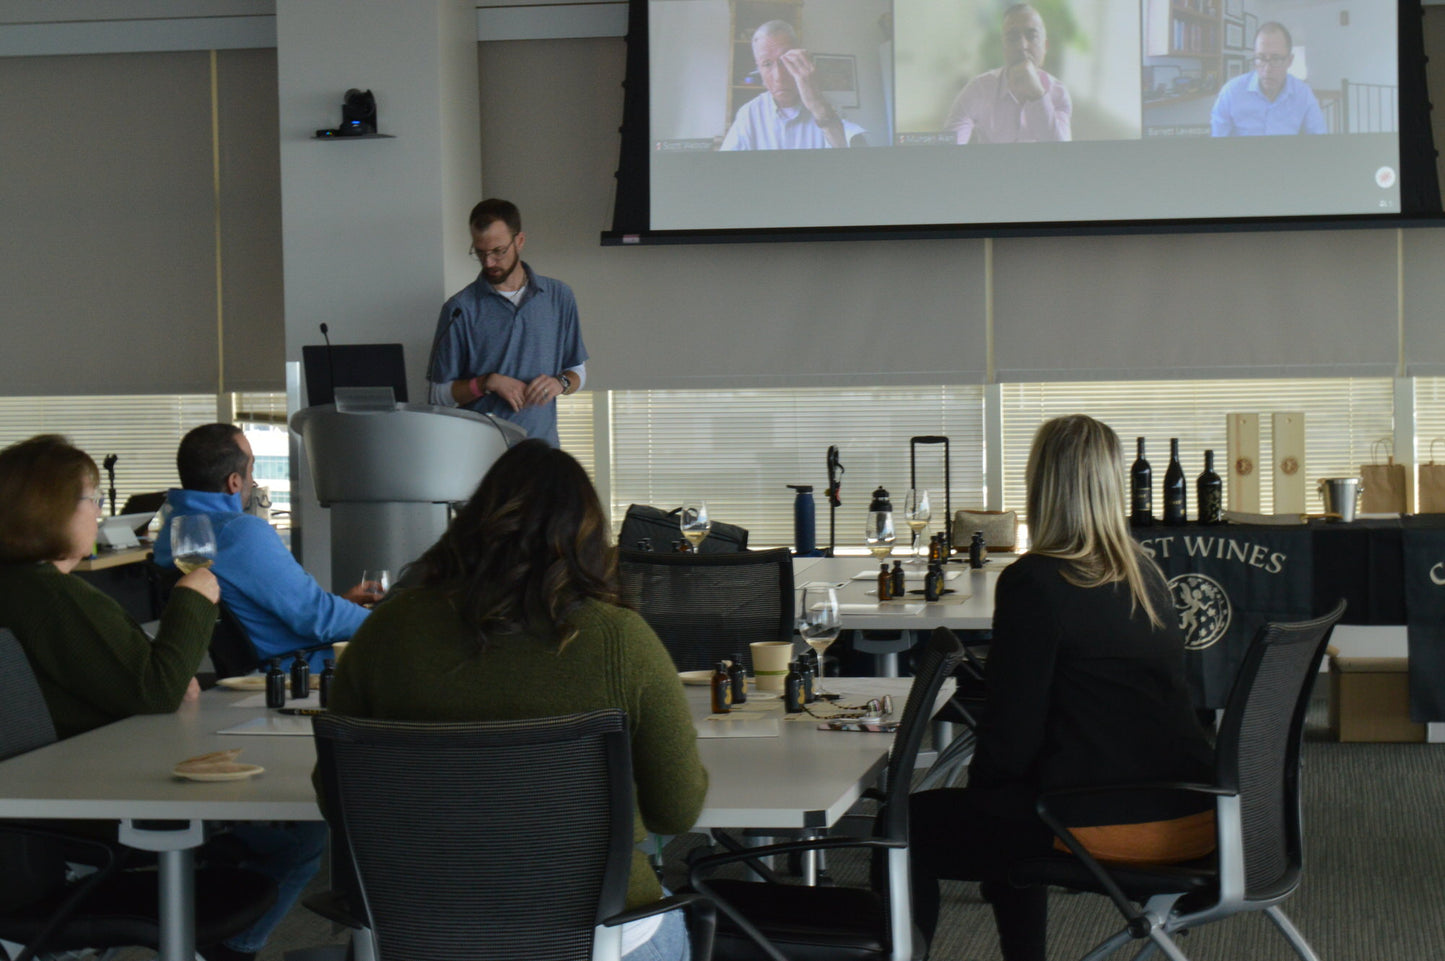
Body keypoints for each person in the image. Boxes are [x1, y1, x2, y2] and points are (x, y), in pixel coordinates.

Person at [323, 439, 708, 961]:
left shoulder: (384, 631)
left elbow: (337, 800)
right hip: (598, 938)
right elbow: (676, 812)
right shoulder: (620, 639)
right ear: (588, 538)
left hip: (413, 932)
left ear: (471, 525)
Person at [0, 435, 323, 961]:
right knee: (298, 841)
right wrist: (192, 602)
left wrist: (163, 675)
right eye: (93, 501)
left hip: (45, 814)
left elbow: (138, 681)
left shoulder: (25, 589)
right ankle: (230, 951)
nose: (100, 514)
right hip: (89, 812)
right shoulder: (54, 598)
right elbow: (155, 691)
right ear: (51, 508)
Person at [909, 415, 1215, 961]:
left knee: (910, 823)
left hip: (1104, 823)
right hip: (1198, 816)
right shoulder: (1147, 576)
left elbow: (1012, 736)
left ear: (1041, 482)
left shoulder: (1037, 582)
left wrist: (983, 797)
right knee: (1004, 808)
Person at [153, 423, 371, 670]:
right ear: (234, 482)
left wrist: (341, 603)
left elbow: (259, 610)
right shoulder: (240, 532)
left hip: (261, 664)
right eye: (251, 468)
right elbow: (316, 617)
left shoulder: (172, 530)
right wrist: (390, 617)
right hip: (299, 667)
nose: (252, 480)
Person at [426, 198, 588, 447]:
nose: (489, 262)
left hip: (541, 453)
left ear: (519, 241)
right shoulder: (459, 309)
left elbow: (577, 370)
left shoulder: (559, 297)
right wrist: (486, 383)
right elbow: (438, 395)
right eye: (480, 253)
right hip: (481, 456)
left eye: (498, 251)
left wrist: (560, 383)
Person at [719, 20, 868, 150]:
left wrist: (816, 104)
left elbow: (856, 161)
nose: (779, 77)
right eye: (767, 64)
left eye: (785, 61)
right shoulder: (749, 114)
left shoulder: (830, 107)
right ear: (759, 72)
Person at [943, 4, 1071, 144]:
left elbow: (1062, 155)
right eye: (1012, 38)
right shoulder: (978, 89)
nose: (1022, 46)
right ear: (1003, 46)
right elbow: (949, 150)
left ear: (1045, 47)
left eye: (1032, 36)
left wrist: (1037, 94)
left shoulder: (1058, 93)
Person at [1211, 22, 1325, 136]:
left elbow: (1319, 140)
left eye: (1276, 59)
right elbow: (1217, 145)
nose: (1267, 69)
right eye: (1260, 58)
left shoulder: (1303, 93)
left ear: (1290, 61)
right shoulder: (1231, 92)